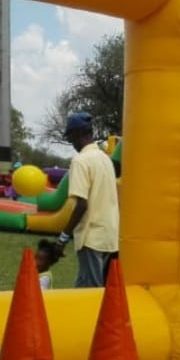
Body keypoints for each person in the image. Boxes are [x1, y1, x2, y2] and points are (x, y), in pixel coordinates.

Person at [53, 112, 120, 288]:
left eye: (70, 138)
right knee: (89, 287)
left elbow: (81, 204)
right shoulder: (105, 159)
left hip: (91, 237)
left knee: (90, 290)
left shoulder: (81, 161)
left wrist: (63, 238)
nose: (71, 143)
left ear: (77, 134)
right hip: (109, 236)